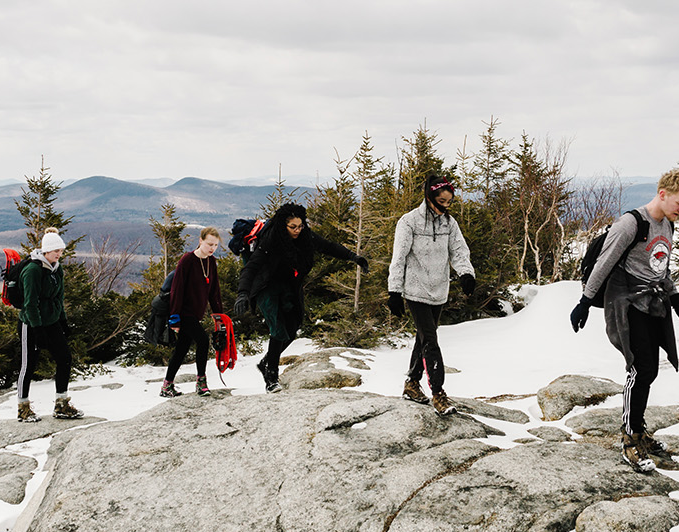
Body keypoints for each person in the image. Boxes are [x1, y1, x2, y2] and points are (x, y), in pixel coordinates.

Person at [569, 169, 679, 472]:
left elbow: (661, 269)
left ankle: (639, 429)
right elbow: (603, 264)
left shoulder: (668, 224)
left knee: (650, 371)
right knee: (639, 369)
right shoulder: (632, 223)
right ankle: (629, 438)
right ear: (663, 193)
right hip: (627, 303)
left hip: (653, 303)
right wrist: (585, 302)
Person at [236, 204, 367, 392]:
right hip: (266, 284)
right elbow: (251, 267)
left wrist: (354, 257)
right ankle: (271, 377)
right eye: (293, 227)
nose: (298, 230)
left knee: (293, 326)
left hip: (289, 283)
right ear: (284, 225)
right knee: (278, 327)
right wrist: (243, 294)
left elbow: (327, 246)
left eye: (300, 226)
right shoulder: (271, 240)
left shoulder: (305, 235)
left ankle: (266, 361)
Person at [388, 174, 476, 416]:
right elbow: (399, 258)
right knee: (430, 340)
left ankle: (411, 384)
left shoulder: (449, 224)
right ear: (430, 197)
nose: (446, 206)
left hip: (439, 290)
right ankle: (438, 394)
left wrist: (466, 274)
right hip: (415, 290)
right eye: (443, 201)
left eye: (450, 202)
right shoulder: (409, 222)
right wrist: (394, 290)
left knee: (423, 337)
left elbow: (459, 251)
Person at [16, 227, 80, 422]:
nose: (59, 255)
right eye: (55, 252)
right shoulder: (33, 270)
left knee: (64, 358)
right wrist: (37, 329)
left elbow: (59, 297)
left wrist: (63, 320)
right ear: (45, 251)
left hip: (51, 322)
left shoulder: (56, 268)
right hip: (31, 324)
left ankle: (61, 404)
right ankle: (23, 407)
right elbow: (30, 303)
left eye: (61, 251)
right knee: (28, 365)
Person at [163, 228, 226, 397]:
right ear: (200, 241)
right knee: (203, 341)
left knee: (182, 349)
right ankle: (201, 382)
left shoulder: (211, 262)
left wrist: (220, 315)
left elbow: (214, 291)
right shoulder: (187, 260)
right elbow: (177, 289)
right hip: (184, 311)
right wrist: (174, 317)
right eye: (209, 244)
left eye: (215, 245)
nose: (212, 248)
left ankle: (166, 386)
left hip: (196, 313)